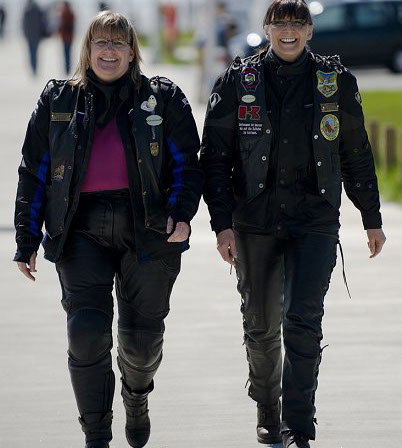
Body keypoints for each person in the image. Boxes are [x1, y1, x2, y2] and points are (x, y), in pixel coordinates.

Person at [200, 1, 386, 447]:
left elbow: (356, 151)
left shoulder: (335, 82)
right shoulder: (237, 80)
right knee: (261, 325)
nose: (288, 31)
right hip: (254, 221)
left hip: (314, 219)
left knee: (303, 319)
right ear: (266, 29)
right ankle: (268, 408)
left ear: (310, 31)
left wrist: (371, 217)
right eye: (279, 23)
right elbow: (214, 159)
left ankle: (298, 424)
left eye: (297, 23)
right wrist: (222, 225)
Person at [14, 10, 202, 448]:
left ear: (132, 52)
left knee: (141, 343)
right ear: (87, 50)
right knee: (86, 331)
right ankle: (96, 435)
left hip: (149, 231)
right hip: (80, 229)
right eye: (101, 42)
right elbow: (34, 171)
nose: (109, 50)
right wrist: (27, 237)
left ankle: (137, 396)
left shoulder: (163, 98)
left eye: (119, 42)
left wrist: (180, 214)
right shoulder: (58, 100)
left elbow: (187, 164)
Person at [22, 0, 47, 75]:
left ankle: (33, 68)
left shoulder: (27, 10)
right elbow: (43, 22)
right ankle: (35, 68)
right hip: (36, 35)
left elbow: (24, 23)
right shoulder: (38, 9)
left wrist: (25, 33)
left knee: (31, 53)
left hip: (30, 35)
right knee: (35, 52)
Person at [59, 1, 75, 74]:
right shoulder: (66, 14)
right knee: (66, 54)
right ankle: (67, 69)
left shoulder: (67, 15)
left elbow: (68, 27)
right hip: (66, 37)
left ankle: (67, 69)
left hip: (67, 37)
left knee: (67, 54)